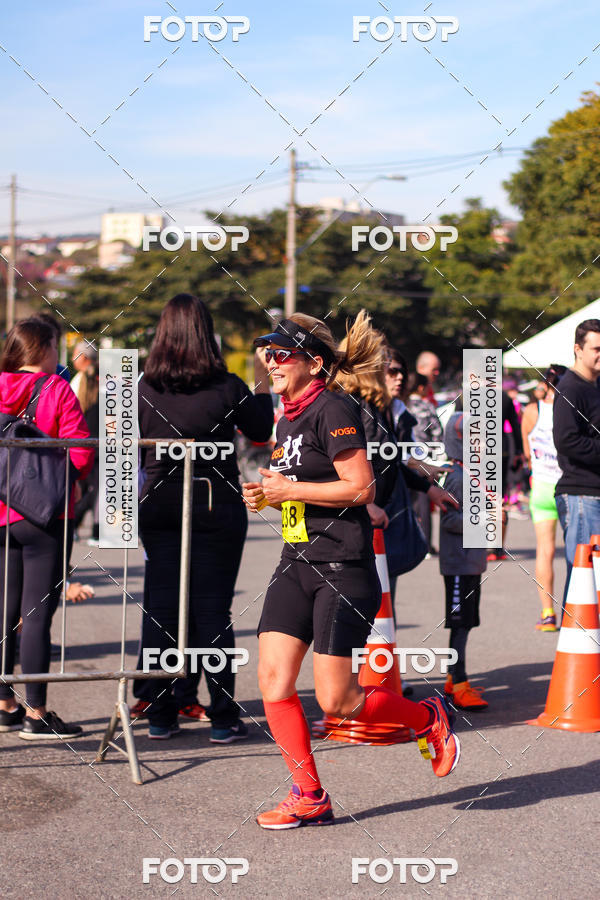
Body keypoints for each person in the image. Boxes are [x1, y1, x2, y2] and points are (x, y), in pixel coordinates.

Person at [243, 313, 460, 832]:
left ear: (314, 364)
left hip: (342, 568)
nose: (271, 362)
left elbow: (361, 488)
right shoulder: (287, 417)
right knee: (272, 680)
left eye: (282, 353)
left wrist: (289, 490)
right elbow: (304, 487)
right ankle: (309, 795)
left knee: (337, 700)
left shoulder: (333, 407)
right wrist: (270, 496)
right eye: (268, 354)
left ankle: (427, 718)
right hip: (296, 560)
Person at [136, 293, 273, 741]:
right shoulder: (227, 386)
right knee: (213, 610)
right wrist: (262, 380)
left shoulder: (143, 388)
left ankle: (161, 714)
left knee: (163, 610)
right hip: (215, 502)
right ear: (206, 334)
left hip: (159, 502)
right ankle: (223, 715)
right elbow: (261, 429)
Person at [0, 318, 94, 739]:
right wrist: (57, 486)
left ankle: (3, 706)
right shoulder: (56, 389)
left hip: (1, 512)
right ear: (44, 348)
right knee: (36, 614)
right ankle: (36, 714)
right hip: (46, 516)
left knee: (4, 611)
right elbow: (81, 451)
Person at [439, 413, 488, 709]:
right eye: (475, 439)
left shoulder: (470, 474)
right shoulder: (456, 477)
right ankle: (459, 683)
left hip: (470, 563)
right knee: (459, 624)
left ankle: (452, 678)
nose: (482, 444)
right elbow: (449, 520)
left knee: (467, 622)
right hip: (458, 563)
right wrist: (483, 519)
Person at [553, 319, 600, 610]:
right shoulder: (570, 388)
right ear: (578, 349)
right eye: (597, 348)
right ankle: (576, 636)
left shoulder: (596, 385)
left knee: (595, 580)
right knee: (583, 578)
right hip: (581, 495)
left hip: (594, 493)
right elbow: (566, 441)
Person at [521, 364, 567, 631]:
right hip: (568, 486)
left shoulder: (532, 411)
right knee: (578, 551)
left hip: (540, 486)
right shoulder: (571, 409)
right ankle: (578, 610)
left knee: (545, 551)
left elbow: (527, 452)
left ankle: (548, 613)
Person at [407, 372, 443, 555]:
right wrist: (437, 459)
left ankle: (409, 543)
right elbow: (438, 433)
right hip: (425, 460)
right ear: (421, 388)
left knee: (408, 502)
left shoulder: (402, 405)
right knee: (424, 502)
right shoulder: (427, 406)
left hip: (404, 458)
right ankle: (427, 545)